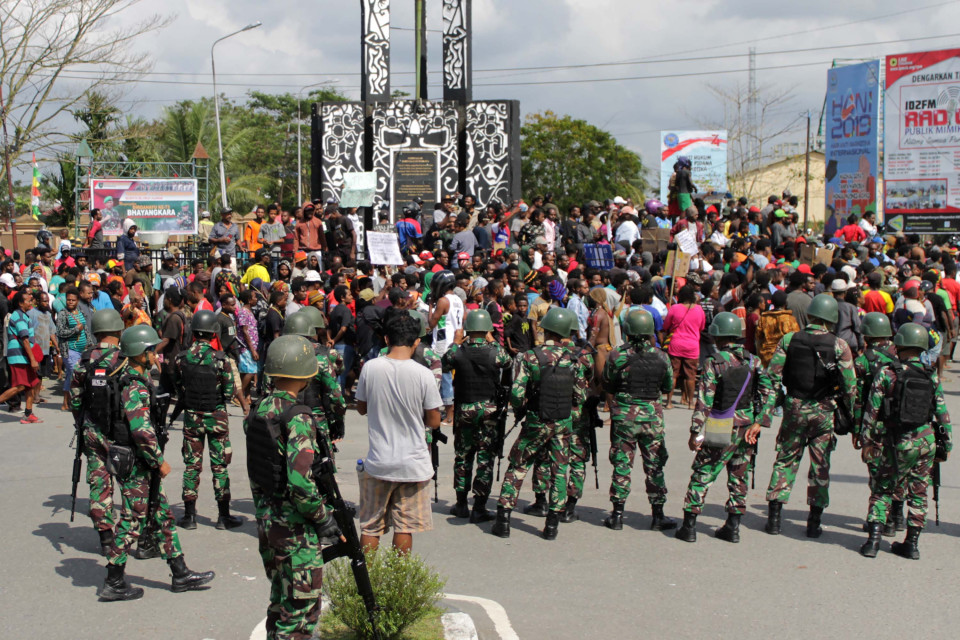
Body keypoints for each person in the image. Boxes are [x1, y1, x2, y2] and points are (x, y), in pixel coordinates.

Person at [100, 325, 214, 601]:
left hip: (141, 462)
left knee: (163, 516)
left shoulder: (135, 379)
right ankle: (113, 580)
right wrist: (157, 460)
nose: (155, 354)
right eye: (150, 350)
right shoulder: (134, 385)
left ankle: (180, 573)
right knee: (132, 519)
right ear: (140, 353)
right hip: (139, 463)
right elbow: (141, 430)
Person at [244, 334, 341, 637]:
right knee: (300, 612)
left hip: (268, 522)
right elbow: (300, 483)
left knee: (280, 602)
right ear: (308, 373)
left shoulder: (259, 409)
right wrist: (323, 517)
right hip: (295, 529)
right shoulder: (298, 417)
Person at [761, 294, 856, 538]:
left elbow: (772, 376)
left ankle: (773, 519)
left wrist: (775, 404)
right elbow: (850, 386)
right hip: (824, 411)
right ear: (832, 318)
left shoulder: (790, 339)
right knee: (820, 466)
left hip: (794, 408)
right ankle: (814, 523)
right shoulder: (839, 345)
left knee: (785, 460)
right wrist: (850, 414)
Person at [493, 308, 590, 541]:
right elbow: (581, 395)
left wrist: (522, 409)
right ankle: (552, 526)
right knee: (559, 471)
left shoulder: (531, 356)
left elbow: (516, 393)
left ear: (545, 328)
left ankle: (504, 520)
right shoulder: (574, 359)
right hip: (563, 423)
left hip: (536, 420)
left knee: (518, 465)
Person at [675, 312, 771, 543]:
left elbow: (704, 401)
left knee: (703, 473)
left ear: (717, 335)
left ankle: (689, 527)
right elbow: (768, 392)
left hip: (720, 426)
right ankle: (733, 527)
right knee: (739, 476)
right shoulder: (753, 361)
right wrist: (760, 421)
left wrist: (695, 432)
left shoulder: (714, 363)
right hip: (746, 427)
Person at [858, 323, 952, 559]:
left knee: (883, 488)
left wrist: (867, 441)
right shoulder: (931, 375)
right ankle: (911, 544)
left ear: (899, 344)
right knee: (919, 492)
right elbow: (942, 414)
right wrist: (946, 445)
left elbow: (872, 411)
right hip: (926, 441)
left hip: (896, 441)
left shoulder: (888, 372)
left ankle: (873, 541)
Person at [355, 311, 443, 552]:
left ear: (386, 339)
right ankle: (398, 581)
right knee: (404, 527)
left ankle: (367, 581)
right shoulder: (424, 374)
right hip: (413, 463)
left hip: (378, 462)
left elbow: (361, 408)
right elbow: (434, 421)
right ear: (416, 342)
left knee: (370, 527)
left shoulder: (370, 368)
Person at [600, 309, 677, 531]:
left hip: (624, 417)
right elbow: (668, 386)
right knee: (654, 465)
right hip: (652, 418)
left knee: (622, 464)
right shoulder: (662, 356)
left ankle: (617, 515)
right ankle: (658, 515)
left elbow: (608, 384)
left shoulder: (617, 355)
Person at [174, 310, 242, 531]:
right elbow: (230, 391)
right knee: (220, 467)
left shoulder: (181, 359)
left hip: (192, 418)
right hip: (217, 418)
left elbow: (178, 388)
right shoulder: (221, 360)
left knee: (191, 466)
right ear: (214, 332)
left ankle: (189, 516)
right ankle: (223, 517)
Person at [441, 309, 512, 522]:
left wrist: (455, 341)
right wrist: (493, 341)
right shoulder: (495, 351)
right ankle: (479, 507)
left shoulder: (458, 351)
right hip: (489, 411)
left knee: (463, 456)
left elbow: (445, 363)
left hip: (464, 409)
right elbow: (508, 362)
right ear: (488, 329)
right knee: (485, 458)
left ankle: (461, 504)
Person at [67, 308, 125, 556]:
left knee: (99, 484)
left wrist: (82, 423)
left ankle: (105, 538)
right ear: (117, 330)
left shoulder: (85, 359)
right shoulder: (124, 359)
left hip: (92, 430)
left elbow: (75, 398)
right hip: (122, 432)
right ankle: (139, 537)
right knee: (132, 483)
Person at [851, 312, 901, 536]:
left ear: (867, 335)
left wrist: (858, 430)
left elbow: (859, 399)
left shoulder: (863, 361)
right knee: (898, 471)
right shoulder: (900, 354)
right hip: (900, 426)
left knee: (877, 474)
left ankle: (880, 520)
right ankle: (897, 517)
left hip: (875, 427)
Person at [0, 289, 42, 422]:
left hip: (23, 356)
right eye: (28, 300)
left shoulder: (23, 315)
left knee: (30, 384)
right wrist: (33, 359)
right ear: (20, 303)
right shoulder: (19, 316)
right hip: (19, 356)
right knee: (21, 385)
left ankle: (28, 414)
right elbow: (24, 339)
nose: (31, 302)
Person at [428, 270, 464, 425]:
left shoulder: (443, 301)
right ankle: (451, 411)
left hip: (443, 344)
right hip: (456, 342)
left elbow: (432, 323)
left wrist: (430, 306)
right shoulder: (458, 299)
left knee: (445, 379)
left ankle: (450, 415)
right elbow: (464, 318)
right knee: (451, 379)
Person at [662, 284, 706, 410]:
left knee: (674, 374)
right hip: (692, 345)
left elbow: (666, 326)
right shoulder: (699, 309)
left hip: (676, 344)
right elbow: (702, 327)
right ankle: (691, 402)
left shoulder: (674, 308)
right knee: (690, 375)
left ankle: (669, 402)